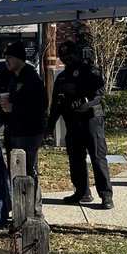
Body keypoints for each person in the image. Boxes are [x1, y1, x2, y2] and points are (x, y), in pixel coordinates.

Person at [45, 40, 113, 209]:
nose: (66, 58)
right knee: (76, 159)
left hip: (91, 121)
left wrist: (77, 90)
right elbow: (56, 104)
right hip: (73, 123)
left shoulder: (89, 70)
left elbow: (99, 91)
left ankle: (106, 195)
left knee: (98, 158)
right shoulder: (61, 77)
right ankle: (82, 192)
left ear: (76, 54)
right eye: (63, 56)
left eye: (70, 54)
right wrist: (50, 126)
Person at [0, 41, 48, 217]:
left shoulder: (30, 77)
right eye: (5, 57)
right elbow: (5, 100)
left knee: (29, 171)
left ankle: (35, 211)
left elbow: (41, 104)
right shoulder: (12, 77)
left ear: (20, 58)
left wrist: (15, 108)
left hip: (29, 131)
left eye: (10, 57)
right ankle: (21, 208)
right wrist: (2, 115)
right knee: (16, 171)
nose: (6, 61)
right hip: (14, 129)